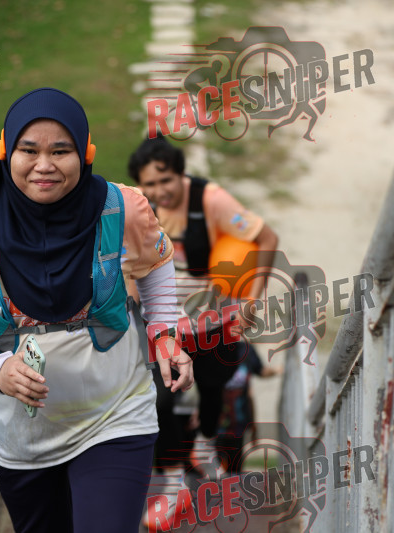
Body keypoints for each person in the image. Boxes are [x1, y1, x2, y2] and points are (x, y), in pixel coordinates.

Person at [0, 88, 194, 533]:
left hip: (116, 415)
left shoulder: (121, 208)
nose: (44, 165)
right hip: (23, 439)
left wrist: (163, 332)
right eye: (28, 150)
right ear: (5, 152)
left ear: (85, 154)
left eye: (60, 151)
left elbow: (156, 261)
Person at [127, 136, 278, 525]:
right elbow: (129, 261)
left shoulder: (211, 201)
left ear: (181, 174)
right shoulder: (138, 208)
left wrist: (252, 299)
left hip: (215, 324)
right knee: (158, 402)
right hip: (165, 326)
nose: (160, 191)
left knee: (212, 393)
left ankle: (207, 444)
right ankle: (173, 485)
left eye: (166, 180)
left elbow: (267, 238)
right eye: (150, 184)